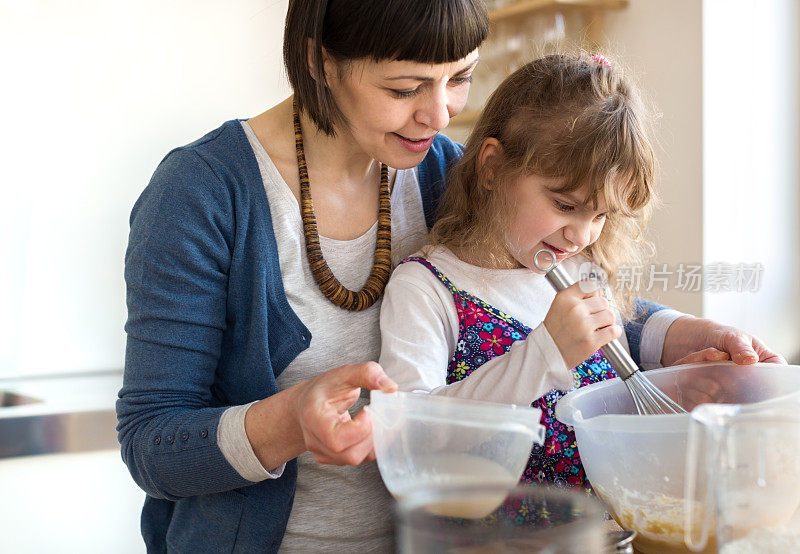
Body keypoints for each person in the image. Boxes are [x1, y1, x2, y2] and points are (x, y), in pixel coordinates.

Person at [117, 1, 777, 550]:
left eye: (459, 78)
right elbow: (151, 442)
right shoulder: (202, 196)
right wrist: (288, 421)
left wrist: (673, 334)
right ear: (320, 58)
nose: (438, 115)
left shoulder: (442, 169)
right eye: (405, 89)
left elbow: (548, 280)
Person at [378, 53, 786, 491]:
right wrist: (543, 355)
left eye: (601, 216)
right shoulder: (425, 289)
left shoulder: (580, 271)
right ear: (493, 167)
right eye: (565, 206)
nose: (581, 235)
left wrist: (673, 392)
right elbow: (408, 438)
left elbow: (608, 400)